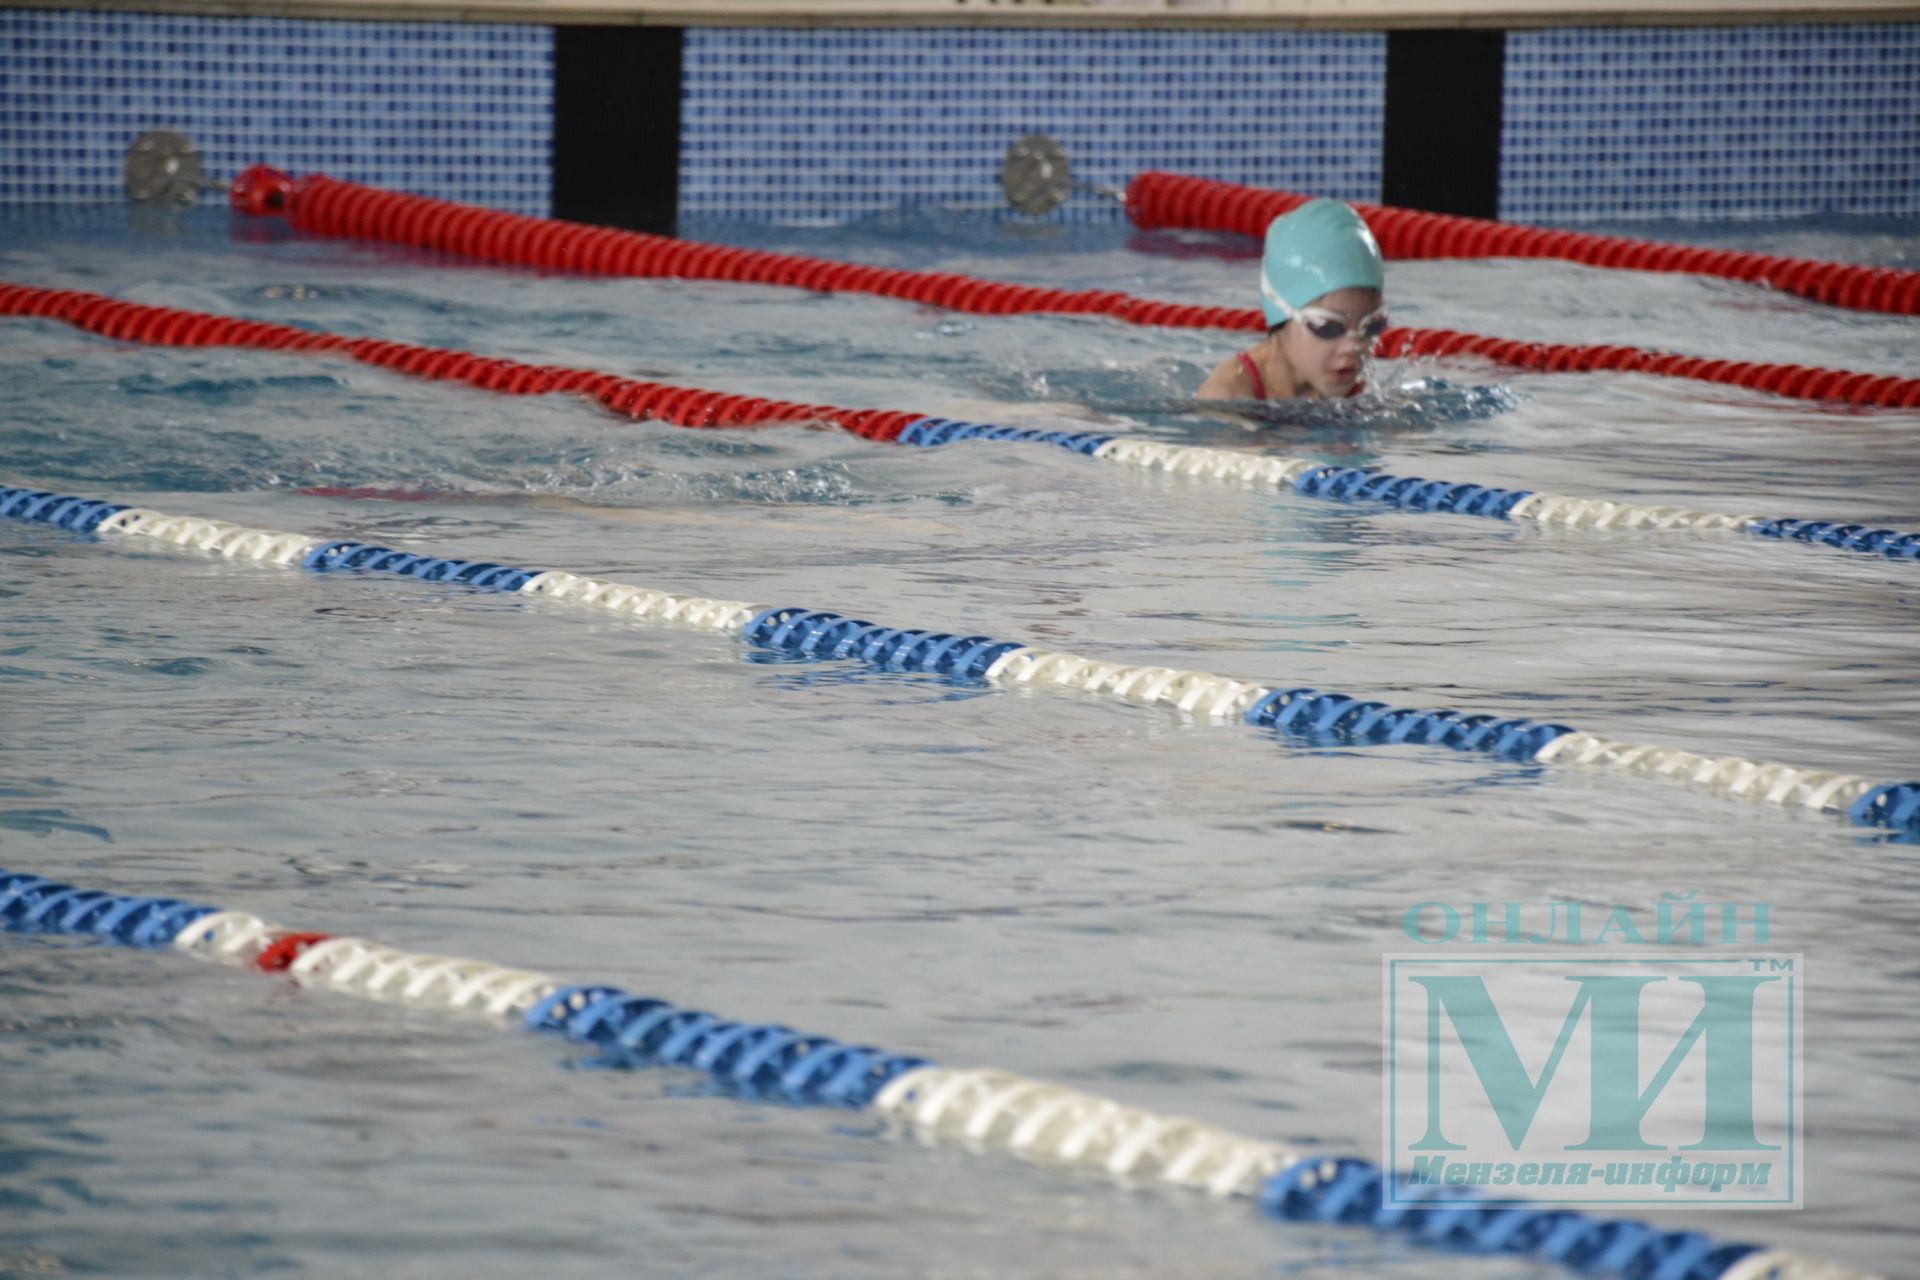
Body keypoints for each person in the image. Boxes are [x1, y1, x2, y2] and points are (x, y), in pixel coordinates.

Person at [1197, 198, 1388, 403]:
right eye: (1329, 326)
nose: (1354, 346)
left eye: (1372, 325)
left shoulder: (1356, 394)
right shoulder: (1228, 394)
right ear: (1281, 312)